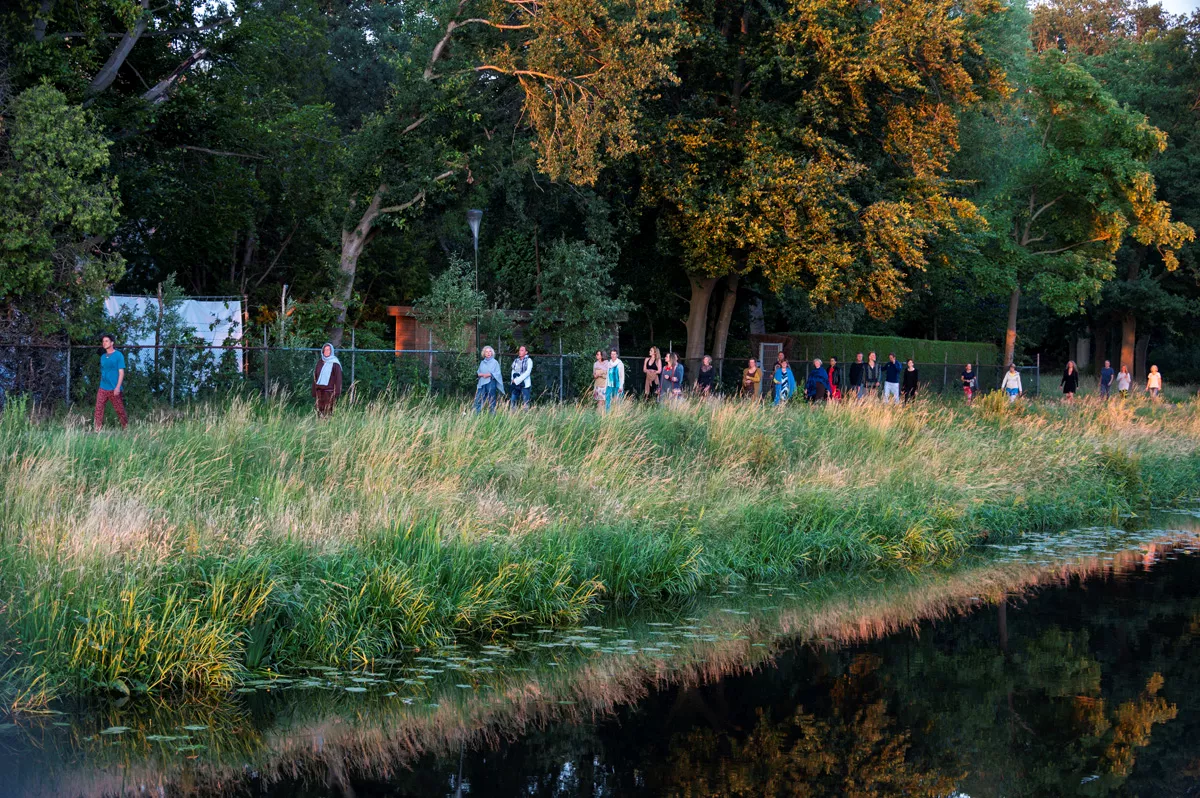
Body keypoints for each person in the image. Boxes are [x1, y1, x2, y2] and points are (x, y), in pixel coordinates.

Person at [94, 333, 128, 431]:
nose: (104, 343)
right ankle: (97, 430)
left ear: (112, 343)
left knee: (120, 410)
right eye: (103, 341)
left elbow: (121, 372)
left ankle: (126, 428)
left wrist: (118, 387)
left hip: (114, 388)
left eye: (106, 341)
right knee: (98, 408)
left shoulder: (118, 355)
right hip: (103, 387)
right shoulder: (103, 357)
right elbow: (103, 371)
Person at [311, 342, 343, 417]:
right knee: (319, 412)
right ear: (322, 351)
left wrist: (337, 391)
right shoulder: (320, 362)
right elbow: (315, 377)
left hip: (329, 392)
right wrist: (314, 390)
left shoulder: (335, 363)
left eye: (328, 350)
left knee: (328, 412)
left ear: (331, 351)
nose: (326, 352)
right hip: (319, 391)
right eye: (325, 350)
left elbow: (338, 378)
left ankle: (328, 426)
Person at [474, 346, 505, 413]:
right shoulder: (482, 362)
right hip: (482, 383)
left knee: (491, 400)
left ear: (492, 353)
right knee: (478, 399)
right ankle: (476, 414)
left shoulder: (495, 362)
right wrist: (482, 375)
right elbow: (478, 373)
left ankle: (492, 415)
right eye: (486, 352)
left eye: (490, 351)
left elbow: (498, 373)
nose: (488, 353)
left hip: (491, 382)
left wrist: (489, 374)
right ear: (484, 353)